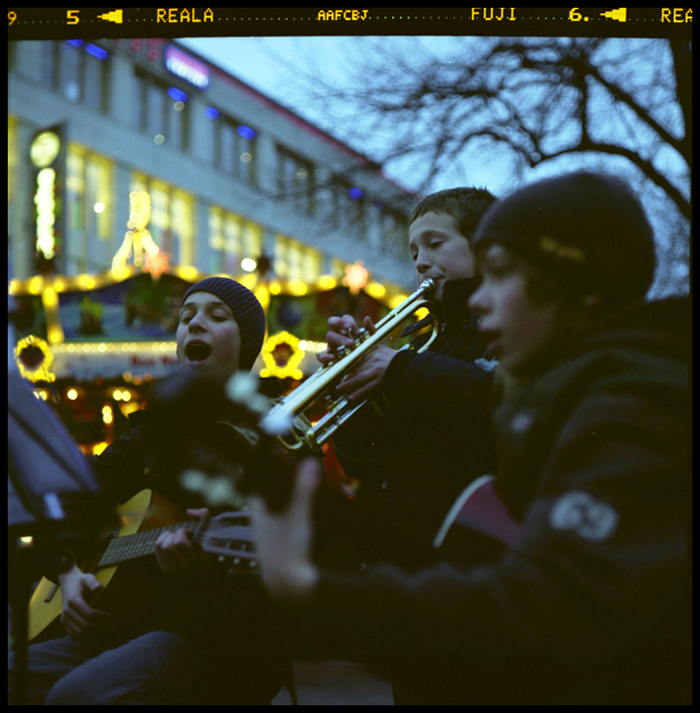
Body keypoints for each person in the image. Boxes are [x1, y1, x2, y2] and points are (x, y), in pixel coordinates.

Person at [250, 171, 691, 704]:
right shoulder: (570, 390)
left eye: (500, 275)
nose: (480, 301)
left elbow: (554, 607)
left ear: (577, 284)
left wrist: (313, 591)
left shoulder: (635, 405)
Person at [9, 277, 291, 705]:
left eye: (217, 317)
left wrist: (198, 564)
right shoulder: (147, 434)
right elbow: (75, 504)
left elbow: (275, 561)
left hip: (209, 638)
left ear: (247, 345)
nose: (195, 323)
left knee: (76, 696)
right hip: (119, 625)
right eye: (186, 316)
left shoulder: (270, 435)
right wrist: (68, 577)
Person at [318, 188, 500, 559]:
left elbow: (499, 403)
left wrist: (399, 368)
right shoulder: (423, 342)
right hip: (396, 542)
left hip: (462, 546)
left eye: (434, 244)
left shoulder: (505, 325)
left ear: (484, 248)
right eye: (415, 252)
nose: (420, 262)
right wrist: (353, 388)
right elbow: (363, 462)